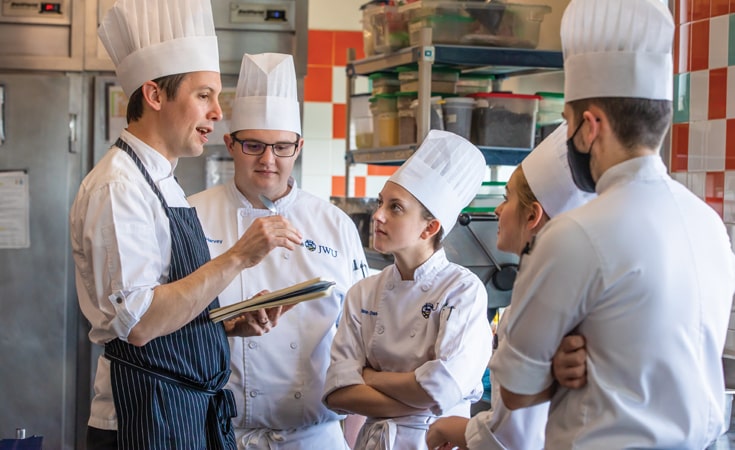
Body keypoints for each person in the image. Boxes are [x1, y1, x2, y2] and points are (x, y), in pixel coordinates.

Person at [490, 0, 735, 447]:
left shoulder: (575, 234)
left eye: (566, 124)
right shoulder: (708, 223)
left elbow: (516, 390)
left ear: (590, 126)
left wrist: (551, 372)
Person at [71, 2, 302, 449]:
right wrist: (238, 257)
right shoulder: (119, 188)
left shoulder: (161, 181)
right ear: (155, 96)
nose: (218, 112)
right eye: (204, 95)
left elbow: (166, 306)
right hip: (143, 418)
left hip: (180, 414)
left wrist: (222, 324)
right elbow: (138, 322)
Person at [187, 52, 369, 449]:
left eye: (282, 147)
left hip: (314, 439)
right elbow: (163, 327)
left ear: (299, 147)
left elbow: (360, 339)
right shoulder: (191, 216)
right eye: (254, 145)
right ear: (230, 144)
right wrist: (228, 326)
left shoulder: (334, 224)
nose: (268, 160)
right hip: (216, 435)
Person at [322, 130, 493, 449]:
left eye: (395, 208)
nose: (378, 215)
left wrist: (369, 377)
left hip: (433, 442)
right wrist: (418, 397)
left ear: (430, 227)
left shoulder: (462, 291)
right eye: (380, 203)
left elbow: (441, 389)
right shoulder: (364, 292)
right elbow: (337, 393)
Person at [426, 123, 592, 450]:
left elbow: (510, 438)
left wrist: (446, 428)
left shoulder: (540, 306)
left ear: (532, 216)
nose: (498, 210)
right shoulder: (567, 292)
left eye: (507, 198)